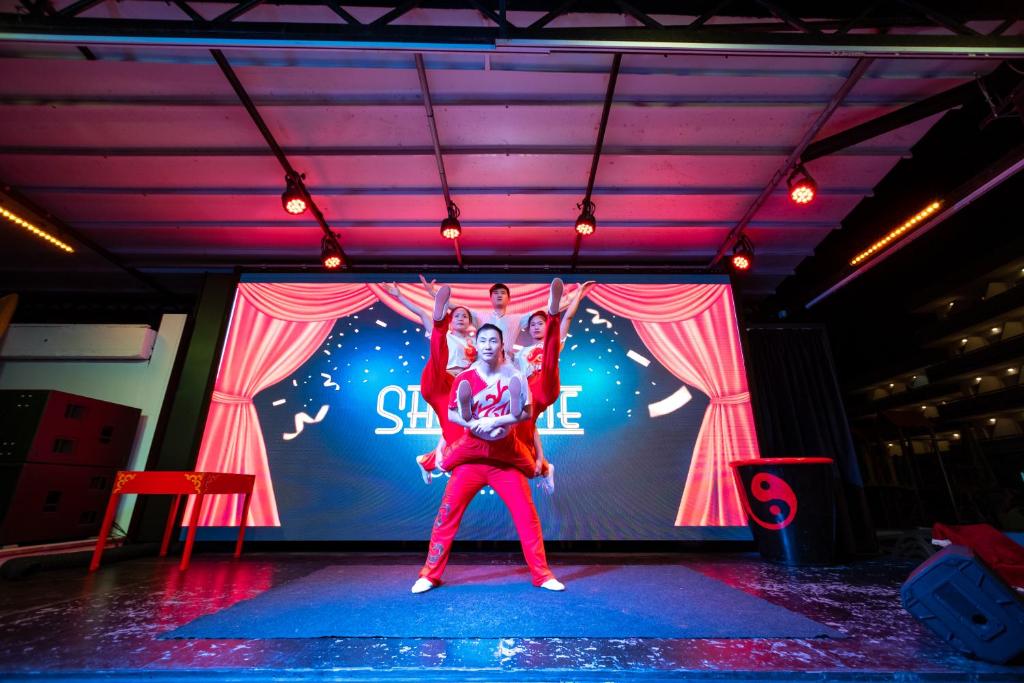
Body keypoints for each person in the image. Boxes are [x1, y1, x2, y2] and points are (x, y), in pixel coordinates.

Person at [411, 323, 564, 593]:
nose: (488, 346)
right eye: (483, 341)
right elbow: (452, 415)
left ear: (502, 345)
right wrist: (475, 424)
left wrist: (497, 422)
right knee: (446, 516)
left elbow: (527, 414)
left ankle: (542, 575)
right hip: (471, 462)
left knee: (528, 518)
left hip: (505, 462)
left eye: (494, 341)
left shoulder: (516, 376)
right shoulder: (465, 378)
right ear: (477, 345)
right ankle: (430, 575)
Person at [514, 280, 596, 492]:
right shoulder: (520, 353)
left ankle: (553, 313)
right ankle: (544, 466)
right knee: (525, 428)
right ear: (528, 329)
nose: (535, 327)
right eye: (533, 325)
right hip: (530, 393)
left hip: (547, 382)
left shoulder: (554, 342)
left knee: (550, 354)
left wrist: (578, 294)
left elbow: (568, 317)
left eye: (540, 323)